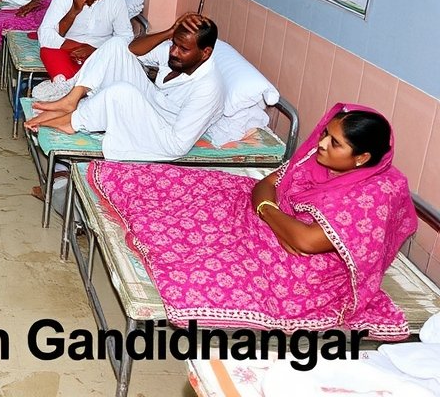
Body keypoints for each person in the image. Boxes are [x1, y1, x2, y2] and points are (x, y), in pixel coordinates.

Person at [89, 103, 417, 338]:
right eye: (326, 134)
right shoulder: (315, 161)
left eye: (335, 143)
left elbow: (305, 243)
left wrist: (276, 217)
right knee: (189, 186)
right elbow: (265, 185)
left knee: (201, 271)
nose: (321, 144)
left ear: (362, 158)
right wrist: (269, 212)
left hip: (310, 274)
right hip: (271, 221)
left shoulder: (372, 195)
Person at [26, 14, 223, 162]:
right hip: (155, 101)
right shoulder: (177, 54)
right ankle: (71, 100)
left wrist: (133, 112)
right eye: (174, 44)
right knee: (116, 45)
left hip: (165, 129)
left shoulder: (207, 88)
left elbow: (177, 146)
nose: (174, 52)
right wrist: (169, 32)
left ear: (205, 53)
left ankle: (72, 122)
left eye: (183, 49)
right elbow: (131, 49)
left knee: (122, 92)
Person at [36, 0, 133, 80]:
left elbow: (125, 36)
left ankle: (80, 89)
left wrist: (95, 50)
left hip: (101, 55)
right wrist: (74, 11)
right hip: (68, 50)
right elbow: (45, 34)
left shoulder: (116, 0)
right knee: (47, 52)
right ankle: (75, 88)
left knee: (120, 63)